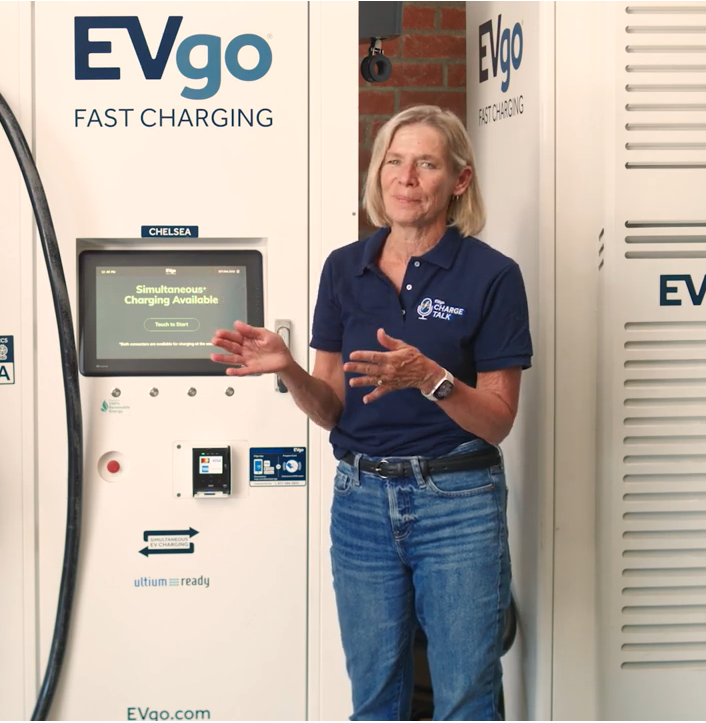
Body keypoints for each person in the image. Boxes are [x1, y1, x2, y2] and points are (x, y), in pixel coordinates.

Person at [211, 105, 532, 720]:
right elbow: (331, 409)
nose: (406, 177)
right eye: (394, 160)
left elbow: (497, 419)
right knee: (375, 695)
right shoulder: (344, 268)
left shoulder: (492, 276)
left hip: (458, 500)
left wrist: (431, 379)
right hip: (361, 499)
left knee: (466, 693)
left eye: (427, 163)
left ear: (457, 182)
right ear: (378, 174)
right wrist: (288, 370)